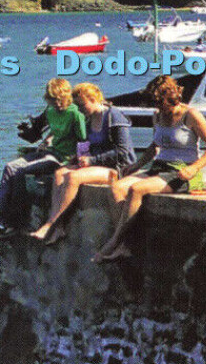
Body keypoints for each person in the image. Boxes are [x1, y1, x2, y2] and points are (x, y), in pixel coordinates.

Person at [92, 74, 206, 262]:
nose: (158, 108)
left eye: (160, 103)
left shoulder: (190, 115)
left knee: (136, 190)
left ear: (172, 98)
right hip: (160, 167)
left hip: (183, 172)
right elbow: (155, 147)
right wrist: (136, 165)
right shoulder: (157, 115)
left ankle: (115, 242)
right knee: (117, 188)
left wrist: (194, 168)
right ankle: (124, 245)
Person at [0, 78, 87, 235]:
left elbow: (84, 139)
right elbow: (53, 128)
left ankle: (9, 221)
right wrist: (48, 138)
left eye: (61, 100)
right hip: (50, 151)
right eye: (53, 100)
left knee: (22, 172)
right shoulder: (50, 111)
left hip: (63, 158)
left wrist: (78, 160)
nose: (58, 104)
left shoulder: (75, 113)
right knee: (10, 167)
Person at [30, 82, 135, 243]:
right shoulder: (89, 119)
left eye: (81, 104)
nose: (79, 109)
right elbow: (89, 145)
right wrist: (77, 157)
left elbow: (123, 152)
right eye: (77, 105)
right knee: (60, 173)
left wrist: (92, 159)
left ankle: (51, 224)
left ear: (93, 99)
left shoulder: (113, 116)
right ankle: (59, 227)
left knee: (73, 178)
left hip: (117, 168)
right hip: (97, 164)